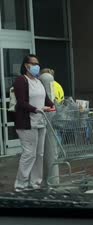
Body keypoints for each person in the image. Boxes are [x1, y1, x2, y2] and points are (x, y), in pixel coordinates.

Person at [13, 54, 55, 192]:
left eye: (38, 63)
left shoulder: (38, 82)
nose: (37, 66)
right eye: (34, 63)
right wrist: (36, 109)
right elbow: (21, 102)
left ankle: (35, 183)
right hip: (26, 123)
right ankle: (21, 184)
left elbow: (46, 99)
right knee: (29, 154)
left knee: (39, 154)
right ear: (26, 65)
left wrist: (52, 106)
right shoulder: (21, 80)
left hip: (40, 122)